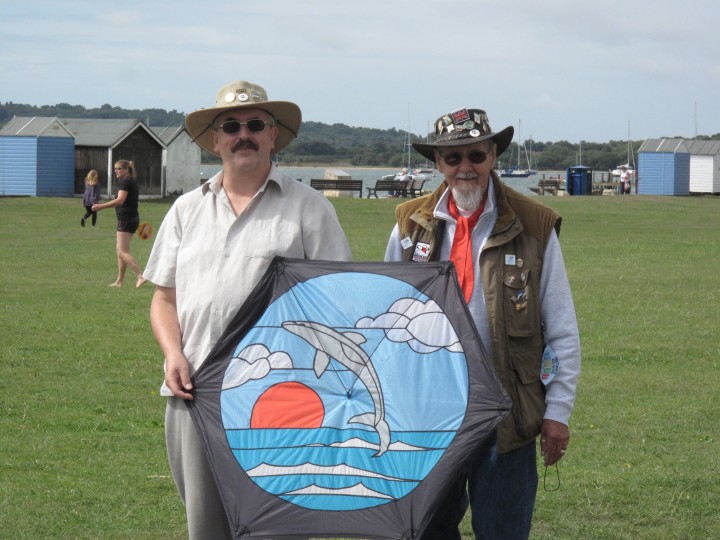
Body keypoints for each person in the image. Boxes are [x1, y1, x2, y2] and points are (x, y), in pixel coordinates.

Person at [142, 80, 352, 540]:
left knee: (279, 528)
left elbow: (338, 303)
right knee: (207, 528)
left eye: (255, 125)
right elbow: (164, 299)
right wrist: (172, 354)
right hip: (195, 393)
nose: (244, 135)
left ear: (273, 135)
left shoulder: (310, 210)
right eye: (231, 126)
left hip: (282, 401)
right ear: (214, 139)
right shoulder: (184, 210)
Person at [384, 108, 581, 539]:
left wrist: (558, 411)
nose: (465, 168)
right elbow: (387, 318)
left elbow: (562, 328)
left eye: (475, 154)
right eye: (452, 158)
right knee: (425, 530)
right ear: (437, 163)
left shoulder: (535, 223)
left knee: (503, 532)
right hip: (428, 413)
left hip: (505, 414)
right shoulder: (408, 224)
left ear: (493, 155)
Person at [92, 160, 146, 288]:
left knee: (122, 252)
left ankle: (140, 276)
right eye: (115, 169)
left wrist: (101, 206)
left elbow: (120, 200)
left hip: (126, 219)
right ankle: (119, 281)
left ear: (126, 169)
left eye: (119, 169)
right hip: (132, 218)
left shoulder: (125, 182)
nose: (116, 171)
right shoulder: (131, 181)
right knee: (120, 251)